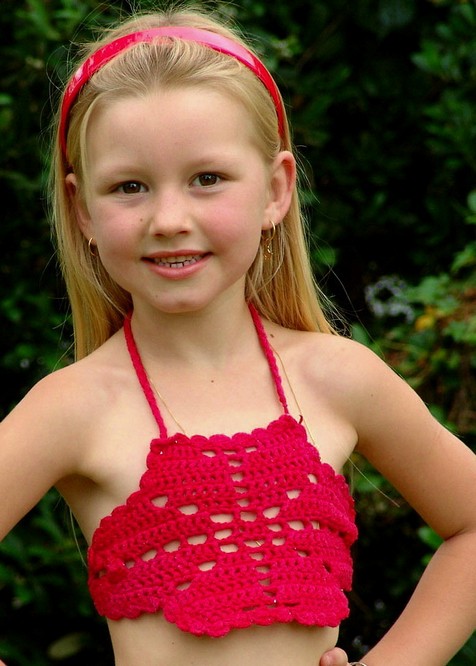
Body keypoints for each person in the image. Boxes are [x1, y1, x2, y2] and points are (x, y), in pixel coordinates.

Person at [1, 4, 475, 666]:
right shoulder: (74, 407)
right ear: (82, 210)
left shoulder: (339, 377)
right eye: (130, 187)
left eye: (207, 179)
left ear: (276, 190)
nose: (168, 219)